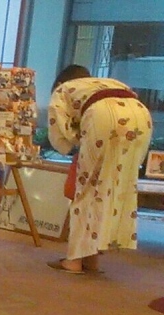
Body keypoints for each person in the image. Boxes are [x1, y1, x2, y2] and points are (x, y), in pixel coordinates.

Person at [46, 64, 153, 274]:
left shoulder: (63, 89)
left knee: (86, 190)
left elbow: (61, 131)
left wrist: (76, 143)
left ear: (60, 82)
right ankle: (92, 259)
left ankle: (74, 261)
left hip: (102, 117)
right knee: (117, 187)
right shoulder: (105, 83)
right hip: (141, 118)